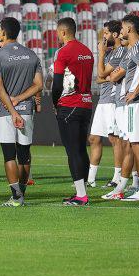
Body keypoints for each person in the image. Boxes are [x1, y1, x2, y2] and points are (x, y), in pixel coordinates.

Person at [102, 14, 139, 201]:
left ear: (129, 29)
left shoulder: (136, 48)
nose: (120, 31)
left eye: (122, 28)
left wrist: (136, 92)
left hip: (135, 104)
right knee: (131, 145)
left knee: (137, 146)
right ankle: (121, 188)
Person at [0, 17, 43, 207]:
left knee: (9, 155)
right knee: (24, 154)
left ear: (3, 32)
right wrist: (19, 99)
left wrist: (12, 110)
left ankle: (16, 197)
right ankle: (22, 194)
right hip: (26, 109)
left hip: (5, 111)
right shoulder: (31, 55)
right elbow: (39, 85)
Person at [51, 18, 94, 206]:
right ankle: (81, 191)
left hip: (69, 104)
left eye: (57, 32)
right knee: (81, 149)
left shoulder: (63, 52)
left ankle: (81, 196)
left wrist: (55, 103)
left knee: (72, 151)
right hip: (86, 104)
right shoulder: (87, 51)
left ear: (63, 32)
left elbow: (57, 84)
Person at [91, 20, 124, 188]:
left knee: (114, 139)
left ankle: (117, 178)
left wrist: (101, 54)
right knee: (94, 138)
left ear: (115, 34)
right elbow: (99, 78)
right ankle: (90, 179)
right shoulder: (111, 52)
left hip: (112, 100)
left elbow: (102, 72)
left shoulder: (120, 52)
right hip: (103, 100)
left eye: (106, 33)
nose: (103, 36)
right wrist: (106, 76)